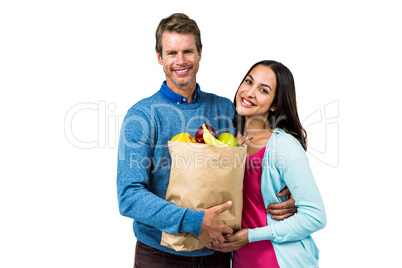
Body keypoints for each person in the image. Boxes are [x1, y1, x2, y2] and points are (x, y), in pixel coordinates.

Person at [117, 14, 297, 268]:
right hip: (161, 256)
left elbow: (264, 147)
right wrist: (195, 221)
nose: (180, 61)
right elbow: (129, 196)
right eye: (171, 53)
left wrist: (289, 186)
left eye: (188, 51)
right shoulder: (143, 115)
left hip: (219, 254)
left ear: (200, 53)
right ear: (159, 57)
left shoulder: (225, 108)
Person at [211, 60, 327, 267]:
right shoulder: (226, 140)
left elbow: (315, 216)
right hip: (240, 261)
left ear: (275, 104)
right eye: (248, 82)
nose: (249, 92)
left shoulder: (284, 146)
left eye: (263, 90)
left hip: (281, 261)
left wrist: (252, 236)